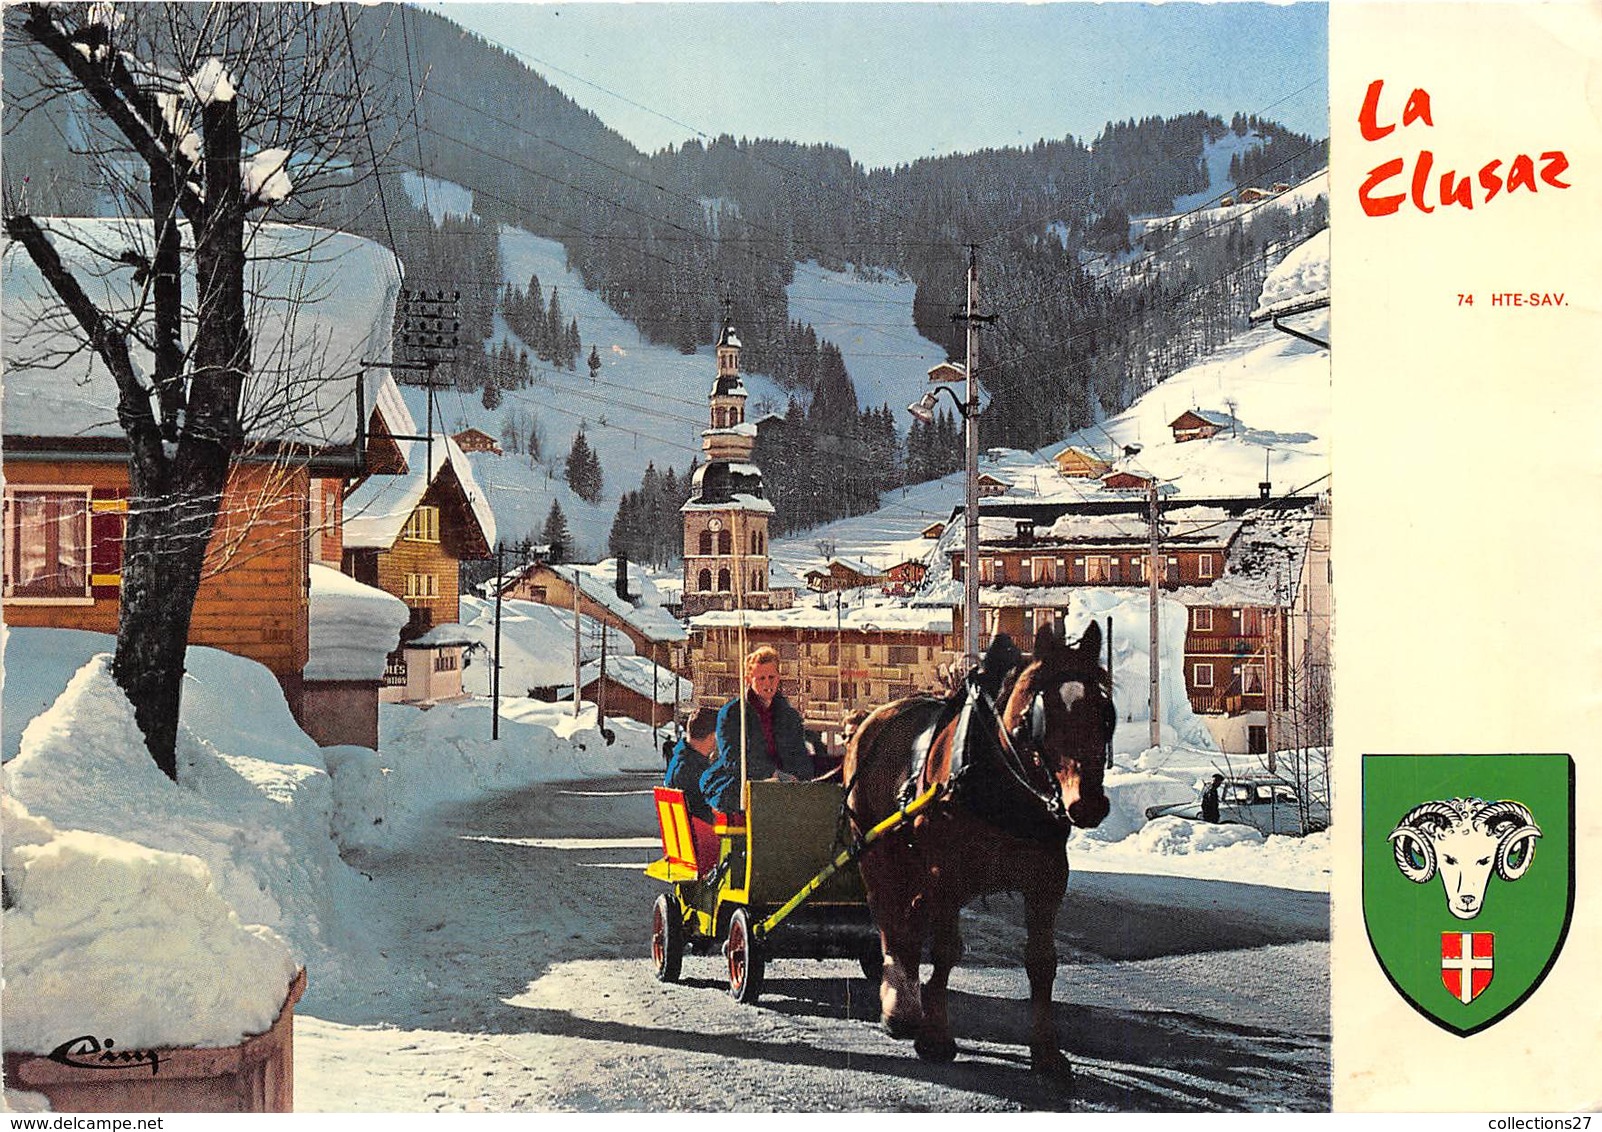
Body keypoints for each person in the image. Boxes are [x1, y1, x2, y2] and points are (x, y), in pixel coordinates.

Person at [698, 645, 812, 814]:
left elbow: (799, 753)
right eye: (761, 678)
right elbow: (733, 759)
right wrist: (772, 774)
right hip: (738, 784)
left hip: (785, 791)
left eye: (771, 677)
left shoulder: (789, 715)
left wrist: (798, 777)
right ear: (748, 680)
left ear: (779, 678)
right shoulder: (733, 713)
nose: (768, 683)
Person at [663, 709, 718, 823]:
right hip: (706, 836)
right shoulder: (694, 770)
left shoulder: (679, 761)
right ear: (712, 736)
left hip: (688, 835)